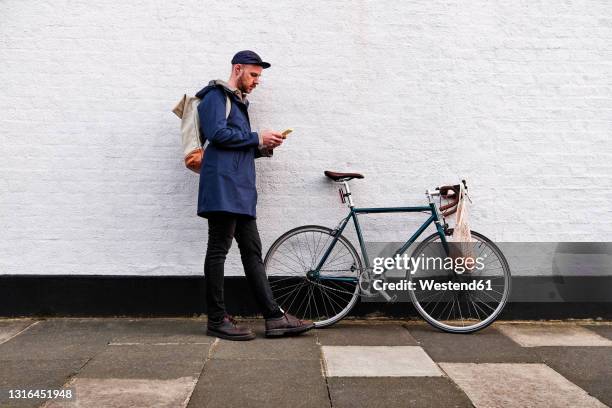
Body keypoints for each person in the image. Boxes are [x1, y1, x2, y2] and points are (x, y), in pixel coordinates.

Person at [195, 50, 314, 341]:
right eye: (254, 74)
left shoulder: (237, 103)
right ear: (237, 69)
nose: (257, 81)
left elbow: (233, 147)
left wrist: (263, 146)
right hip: (223, 188)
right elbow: (217, 134)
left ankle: (274, 317)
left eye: (259, 75)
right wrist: (256, 137)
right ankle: (216, 319)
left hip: (239, 190)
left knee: (252, 252)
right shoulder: (215, 96)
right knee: (218, 250)